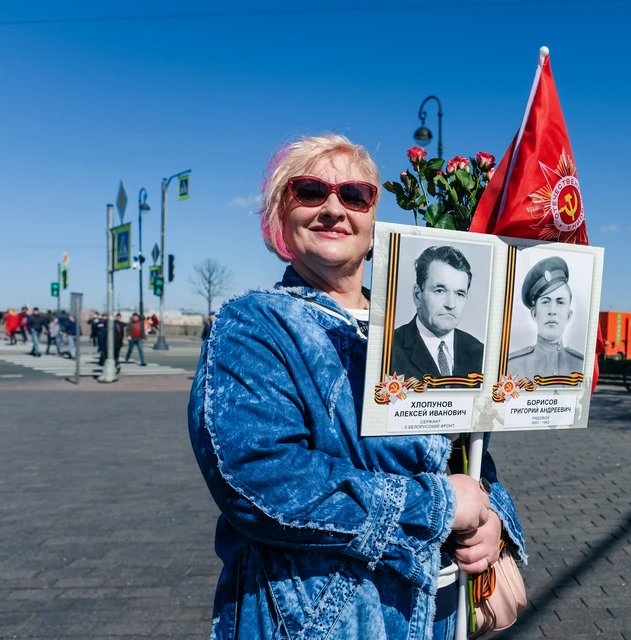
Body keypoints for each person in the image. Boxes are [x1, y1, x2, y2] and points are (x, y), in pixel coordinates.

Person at [188, 134, 525, 640]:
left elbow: (464, 455)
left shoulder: (410, 327)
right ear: (282, 213)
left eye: (354, 195)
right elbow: (257, 479)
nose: (333, 209)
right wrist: (435, 507)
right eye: (309, 191)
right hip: (321, 621)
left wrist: (491, 519)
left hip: (436, 612)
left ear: (373, 218)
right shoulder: (255, 324)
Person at [390, 245, 485, 383]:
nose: (451, 304)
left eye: (460, 293)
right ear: (417, 295)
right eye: (440, 290)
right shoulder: (388, 350)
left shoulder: (480, 353)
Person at [507, 256, 584, 381]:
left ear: (569, 316)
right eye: (545, 302)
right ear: (534, 314)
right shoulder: (512, 366)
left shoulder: (581, 365)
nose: (552, 311)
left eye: (560, 302)